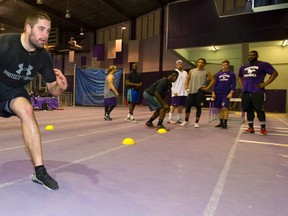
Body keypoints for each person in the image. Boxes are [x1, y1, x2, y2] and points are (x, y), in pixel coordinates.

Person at [0, 12, 68, 190]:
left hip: (14, 91)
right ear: (28, 28)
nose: (45, 35)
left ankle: (40, 172)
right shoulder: (5, 43)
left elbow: (53, 90)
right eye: (41, 29)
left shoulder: (43, 56)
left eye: (48, 31)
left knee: (28, 110)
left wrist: (61, 87)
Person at [238, 50, 278, 135]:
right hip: (246, 91)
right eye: (249, 55)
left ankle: (263, 128)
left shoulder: (263, 64)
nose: (251, 56)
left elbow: (275, 73)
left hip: (257, 91)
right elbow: (239, 76)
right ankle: (250, 128)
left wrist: (266, 83)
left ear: (257, 56)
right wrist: (241, 84)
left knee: (259, 110)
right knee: (249, 110)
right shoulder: (243, 66)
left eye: (253, 55)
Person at [181, 58, 215, 128]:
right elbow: (187, 79)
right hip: (191, 91)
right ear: (197, 63)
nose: (200, 63)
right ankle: (186, 121)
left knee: (198, 107)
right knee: (188, 106)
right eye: (199, 62)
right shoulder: (191, 71)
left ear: (204, 64)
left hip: (200, 92)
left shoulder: (206, 72)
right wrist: (186, 86)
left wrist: (207, 88)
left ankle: (196, 122)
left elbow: (213, 80)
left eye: (202, 62)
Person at [212, 60, 236, 129]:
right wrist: (213, 92)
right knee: (220, 109)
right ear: (221, 65)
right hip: (218, 93)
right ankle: (221, 122)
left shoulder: (232, 74)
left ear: (228, 65)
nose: (224, 66)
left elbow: (233, 84)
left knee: (224, 108)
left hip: (226, 94)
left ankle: (225, 124)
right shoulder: (218, 74)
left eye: (225, 65)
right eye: (223, 65)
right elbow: (215, 84)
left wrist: (231, 93)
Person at [167, 60, 188, 124]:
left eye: (181, 64)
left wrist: (187, 91)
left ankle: (179, 119)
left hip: (184, 92)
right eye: (178, 64)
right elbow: (171, 82)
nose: (179, 65)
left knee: (181, 105)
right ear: (176, 65)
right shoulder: (174, 72)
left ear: (182, 65)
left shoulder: (185, 72)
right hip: (176, 92)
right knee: (173, 105)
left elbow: (186, 82)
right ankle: (170, 119)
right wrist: (174, 91)